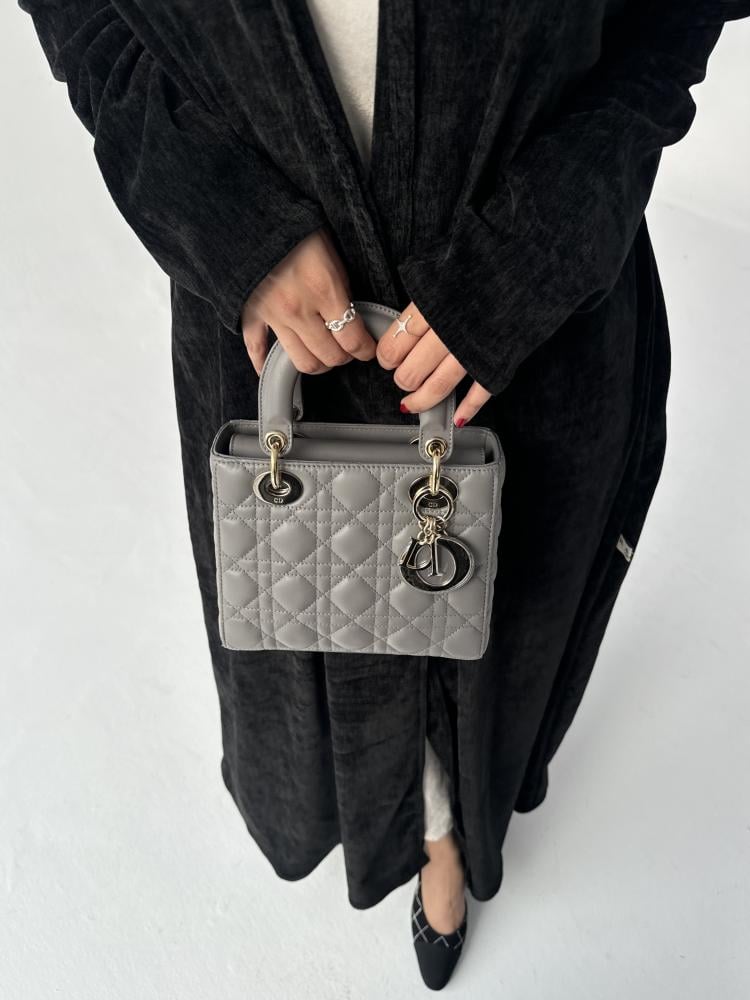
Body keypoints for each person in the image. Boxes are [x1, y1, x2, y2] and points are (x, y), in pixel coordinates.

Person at [18, 0, 750, 989]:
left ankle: (450, 841)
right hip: (271, 360)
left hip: (532, 346)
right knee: (318, 633)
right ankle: (406, 824)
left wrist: (541, 241)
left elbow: (675, 21)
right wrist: (213, 208)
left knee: (491, 646)